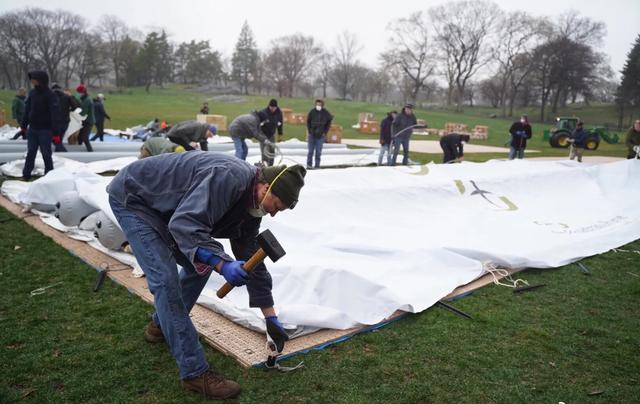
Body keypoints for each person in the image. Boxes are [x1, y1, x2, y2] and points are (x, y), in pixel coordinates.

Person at [106, 153, 306, 399]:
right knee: (165, 282)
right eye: (277, 206)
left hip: (169, 209)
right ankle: (194, 373)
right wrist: (222, 264)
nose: (274, 215)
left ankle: (160, 324)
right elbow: (185, 225)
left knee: (199, 265)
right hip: (136, 200)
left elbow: (252, 257)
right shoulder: (229, 177)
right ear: (267, 187)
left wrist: (270, 317)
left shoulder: (252, 208)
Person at [20, 70, 63, 180]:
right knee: (31, 153)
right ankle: (26, 175)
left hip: (45, 130)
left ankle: (49, 176)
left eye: (34, 79)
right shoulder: (32, 93)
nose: (32, 81)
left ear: (40, 80)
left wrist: (56, 133)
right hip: (33, 129)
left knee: (46, 154)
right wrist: (24, 127)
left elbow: (55, 115)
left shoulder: (50, 95)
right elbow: (27, 110)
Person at [51, 83, 80, 152]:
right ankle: (60, 152)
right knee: (59, 138)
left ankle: (61, 151)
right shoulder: (67, 97)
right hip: (65, 120)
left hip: (54, 122)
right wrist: (69, 110)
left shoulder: (50, 97)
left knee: (55, 139)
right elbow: (76, 106)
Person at [306, 99, 333, 169]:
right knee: (310, 152)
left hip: (320, 136)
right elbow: (308, 121)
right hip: (312, 135)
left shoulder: (325, 113)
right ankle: (309, 166)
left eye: (319, 105)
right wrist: (309, 131)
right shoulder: (312, 112)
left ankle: (317, 166)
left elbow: (329, 120)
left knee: (318, 152)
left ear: (322, 105)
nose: (318, 106)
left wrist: (325, 132)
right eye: (317, 105)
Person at [259, 99, 284, 166]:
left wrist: (280, 134)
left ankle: (271, 167)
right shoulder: (263, 113)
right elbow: (257, 124)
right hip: (263, 135)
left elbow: (280, 124)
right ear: (269, 106)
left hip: (271, 134)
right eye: (271, 107)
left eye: (274, 108)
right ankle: (264, 167)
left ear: (276, 107)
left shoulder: (279, 113)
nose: (273, 109)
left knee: (272, 151)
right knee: (264, 152)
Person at [76, 84, 94, 152]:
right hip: (85, 121)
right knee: (80, 137)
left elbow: (83, 112)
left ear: (82, 92)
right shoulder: (84, 99)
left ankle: (90, 151)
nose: (78, 94)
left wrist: (75, 113)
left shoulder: (87, 100)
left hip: (88, 121)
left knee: (85, 137)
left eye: (79, 92)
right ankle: (78, 151)